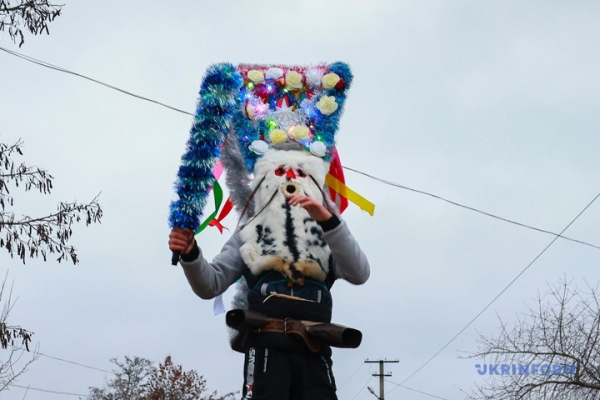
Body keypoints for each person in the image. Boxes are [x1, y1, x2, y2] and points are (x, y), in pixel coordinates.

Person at [169, 177, 369, 400]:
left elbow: (359, 273)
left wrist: (329, 221)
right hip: (266, 347)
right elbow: (211, 284)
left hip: (315, 346)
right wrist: (191, 254)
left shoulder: (328, 235)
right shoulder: (249, 235)